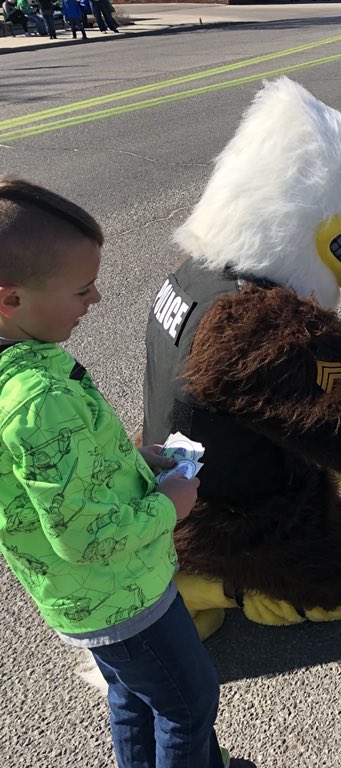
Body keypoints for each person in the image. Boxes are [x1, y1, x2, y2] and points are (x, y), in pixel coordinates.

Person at [0, 177, 227, 768]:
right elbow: (84, 536)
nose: (97, 299)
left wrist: (136, 461)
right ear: (10, 299)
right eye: (82, 289)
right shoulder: (38, 399)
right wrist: (169, 504)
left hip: (83, 598)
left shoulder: (18, 367)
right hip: (121, 594)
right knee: (189, 704)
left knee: (134, 696)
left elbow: (56, 479)